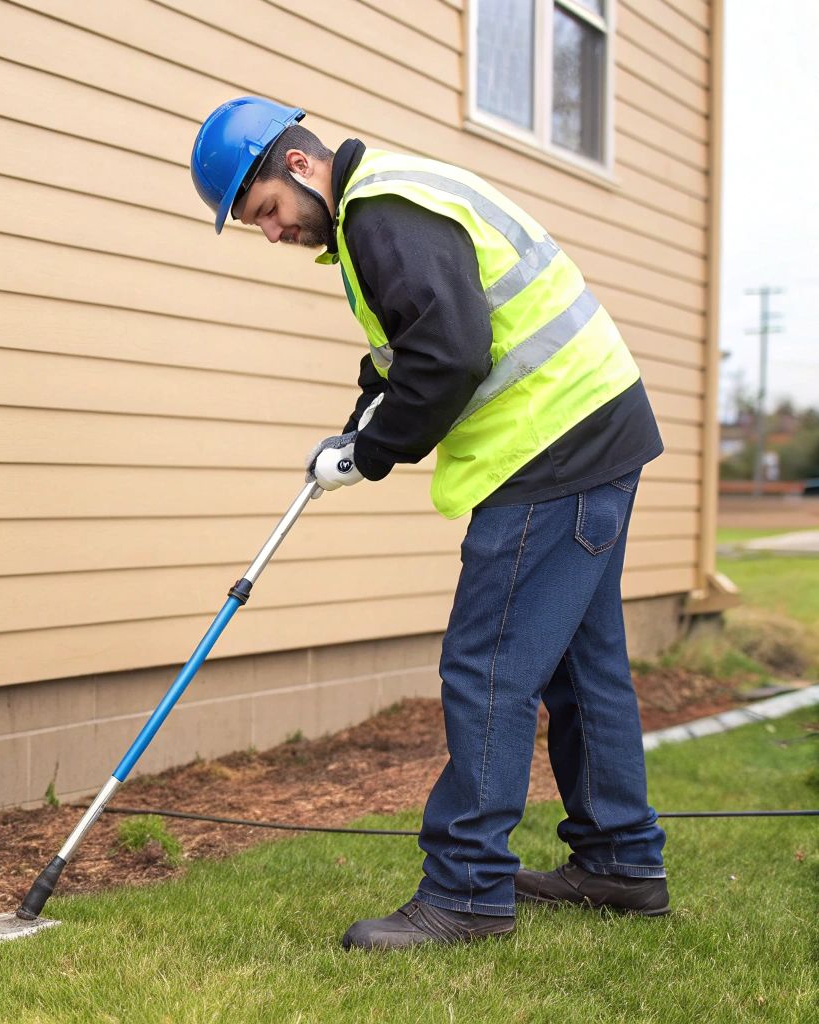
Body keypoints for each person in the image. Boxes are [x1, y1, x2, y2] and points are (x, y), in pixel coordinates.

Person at [189, 97, 671, 950]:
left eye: (265, 211)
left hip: (549, 447)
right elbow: (411, 347)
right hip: (595, 427)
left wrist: (372, 456)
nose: (271, 234)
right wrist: (360, 422)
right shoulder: (387, 203)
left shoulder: (382, 214)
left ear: (298, 165)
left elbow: (451, 354)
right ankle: (620, 862)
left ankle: (468, 891)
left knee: (486, 666)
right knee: (579, 666)